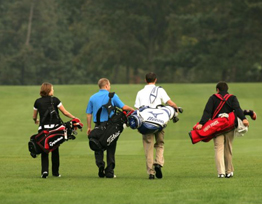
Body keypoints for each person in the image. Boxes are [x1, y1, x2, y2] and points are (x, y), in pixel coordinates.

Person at [196, 81, 249, 178]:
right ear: (227, 89)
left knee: (218, 149)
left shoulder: (213, 98)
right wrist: (244, 119)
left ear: (217, 90)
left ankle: (221, 172)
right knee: (228, 148)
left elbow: (207, 112)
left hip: (216, 127)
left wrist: (201, 123)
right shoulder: (232, 98)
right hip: (229, 126)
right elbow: (237, 109)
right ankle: (229, 171)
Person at [134, 72, 180, 179]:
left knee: (148, 148)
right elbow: (170, 103)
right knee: (160, 143)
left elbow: (137, 109)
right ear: (155, 80)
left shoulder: (140, 92)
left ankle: (151, 172)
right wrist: (176, 109)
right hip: (159, 121)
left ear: (145, 80)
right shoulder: (160, 90)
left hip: (145, 123)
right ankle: (158, 163)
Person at [86, 78, 134, 178]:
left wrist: (89, 127)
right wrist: (133, 109)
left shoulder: (92, 97)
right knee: (111, 147)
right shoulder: (112, 96)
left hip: (98, 126)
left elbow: (88, 114)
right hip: (111, 126)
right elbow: (123, 107)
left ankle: (100, 165)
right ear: (107, 85)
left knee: (97, 145)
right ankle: (109, 172)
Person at [33, 82, 77, 178]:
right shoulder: (55, 100)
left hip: (43, 129)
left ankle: (44, 171)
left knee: (44, 149)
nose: (53, 90)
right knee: (55, 149)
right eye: (52, 89)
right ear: (49, 90)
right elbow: (65, 112)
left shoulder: (37, 102)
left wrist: (36, 120)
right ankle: (55, 172)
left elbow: (34, 116)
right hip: (55, 129)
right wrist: (74, 118)